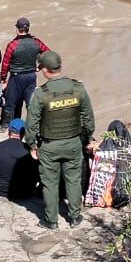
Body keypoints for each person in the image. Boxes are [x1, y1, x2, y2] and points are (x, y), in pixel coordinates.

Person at [25, 51, 95, 230]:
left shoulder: (41, 94)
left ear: (45, 70)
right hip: (73, 143)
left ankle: (51, 221)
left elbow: (31, 124)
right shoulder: (78, 88)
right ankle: (74, 217)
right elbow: (88, 119)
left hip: (49, 145)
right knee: (73, 179)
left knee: (49, 183)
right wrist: (86, 139)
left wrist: (32, 145)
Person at [0, 17, 50, 123]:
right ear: (28, 29)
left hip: (16, 77)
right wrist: (40, 67)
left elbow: (5, 64)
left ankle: (7, 127)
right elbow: (49, 54)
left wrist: (3, 78)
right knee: (31, 104)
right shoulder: (37, 42)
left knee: (10, 104)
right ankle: (33, 126)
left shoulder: (13, 45)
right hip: (31, 76)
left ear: (17, 29)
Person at [0, 118, 40, 200]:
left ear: (9, 132)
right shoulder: (29, 150)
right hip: (25, 192)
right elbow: (36, 174)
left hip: (1, 190)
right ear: (23, 133)